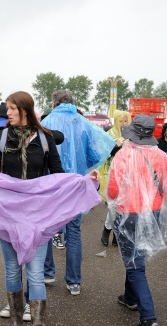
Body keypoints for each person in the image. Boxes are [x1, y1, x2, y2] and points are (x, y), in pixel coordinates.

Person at [0, 91, 101, 326]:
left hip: (38, 214)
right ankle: (17, 323)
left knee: (36, 272)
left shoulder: (45, 138)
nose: (7, 113)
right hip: (7, 213)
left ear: (24, 110)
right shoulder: (2, 137)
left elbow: (58, 174)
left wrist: (84, 181)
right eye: (7, 109)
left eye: (11, 109)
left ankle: (38, 325)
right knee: (12, 269)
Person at [107, 114, 167, 326]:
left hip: (128, 213)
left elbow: (112, 189)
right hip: (154, 212)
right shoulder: (161, 155)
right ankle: (130, 297)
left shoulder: (124, 155)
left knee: (135, 264)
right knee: (136, 256)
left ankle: (148, 317)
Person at [41, 89, 115, 296]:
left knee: (47, 229)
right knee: (73, 232)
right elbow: (94, 155)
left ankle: (48, 273)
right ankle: (74, 282)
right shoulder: (84, 123)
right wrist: (80, 166)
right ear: (73, 102)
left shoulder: (46, 123)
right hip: (76, 184)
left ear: (53, 103)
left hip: (51, 184)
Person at [100, 110, 132, 247]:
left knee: (122, 206)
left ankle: (114, 232)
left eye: (126, 121)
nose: (124, 124)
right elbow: (103, 156)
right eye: (121, 121)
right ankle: (108, 230)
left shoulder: (131, 136)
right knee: (113, 206)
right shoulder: (108, 136)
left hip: (127, 176)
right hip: (111, 175)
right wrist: (116, 146)